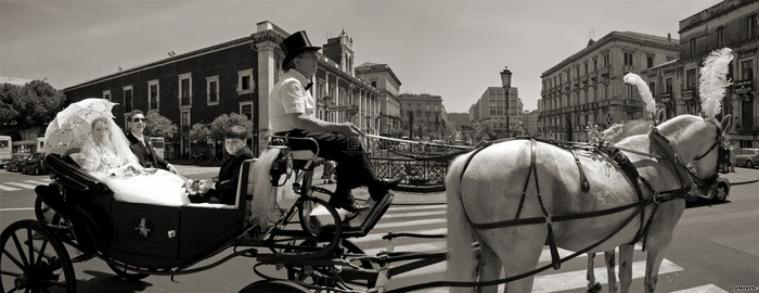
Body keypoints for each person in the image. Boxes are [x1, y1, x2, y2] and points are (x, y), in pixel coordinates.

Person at [268, 31, 400, 212]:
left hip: (294, 136)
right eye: (312, 57)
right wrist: (338, 127)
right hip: (294, 138)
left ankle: (357, 191)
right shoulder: (292, 83)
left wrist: (337, 129)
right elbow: (298, 120)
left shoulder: (296, 82)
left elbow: (305, 120)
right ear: (297, 61)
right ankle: (359, 191)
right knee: (349, 144)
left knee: (350, 145)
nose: (316, 61)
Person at [76, 116, 189, 206]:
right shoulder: (93, 150)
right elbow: (88, 174)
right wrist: (109, 173)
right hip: (110, 182)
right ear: (93, 131)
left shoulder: (115, 147)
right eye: (98, 129)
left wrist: (131, 167)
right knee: (143, 190)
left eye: (105, 129)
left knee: (159, 177)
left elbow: (128, 161)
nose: (102, 132)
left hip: (125, 176)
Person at [188, 125, 254, 205]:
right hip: (227, 197)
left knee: (189, 199)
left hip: (229, 200)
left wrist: (213, 185)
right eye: (227, 141)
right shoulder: (235, 156)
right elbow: (225, 176)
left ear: (244, 142)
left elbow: (234, 183)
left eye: (234, 142)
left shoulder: (243, 157)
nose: (230, 145)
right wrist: (207, 182)